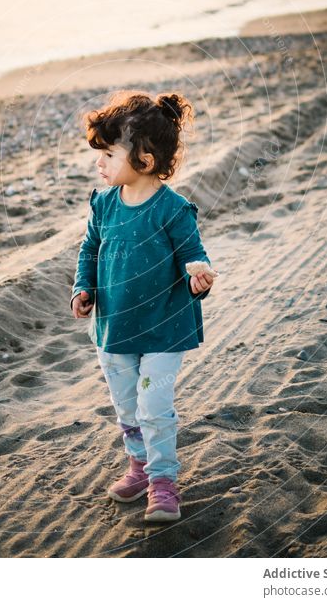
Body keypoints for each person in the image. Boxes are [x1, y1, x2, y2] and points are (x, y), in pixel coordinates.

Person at [70, 89, 216, 523]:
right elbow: (90, 250)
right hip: (114, 328)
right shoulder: (104, 204)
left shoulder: (173, 210)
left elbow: (194, 256)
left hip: (164, 330)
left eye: (109, 154)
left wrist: (199, 278)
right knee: (127, 408)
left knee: (153, 407)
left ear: (145, 161)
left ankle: (163, 482)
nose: (99, 164)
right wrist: (84, 288)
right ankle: (138, 466)